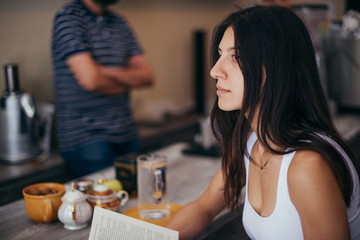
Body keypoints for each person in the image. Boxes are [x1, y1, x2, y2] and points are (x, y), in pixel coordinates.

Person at [165, 5, 360, 240]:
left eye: (236, 57)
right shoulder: (253, 140)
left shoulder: (307, 166)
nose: (215, 70)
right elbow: (204, 207)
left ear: (278, 66)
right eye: (220, 54)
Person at [51, 0, 154, 177]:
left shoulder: (120, 22)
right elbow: (91, 81)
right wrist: (127, 82)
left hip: (127, 132)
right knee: (108, 202)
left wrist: (104, 71)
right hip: (86, 138)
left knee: (136, 199)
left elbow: (147, 77)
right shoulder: (68, 18)